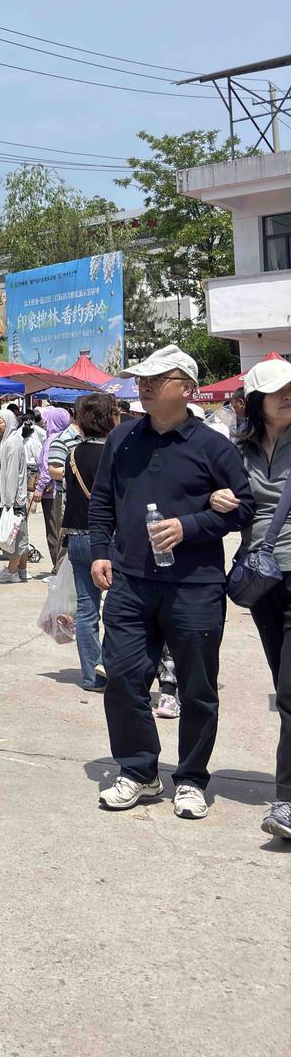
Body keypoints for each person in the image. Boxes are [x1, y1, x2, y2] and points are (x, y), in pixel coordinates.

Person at [89, 344, 253, 819]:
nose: (144, 387)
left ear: (187, 389)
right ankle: (139, 770)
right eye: (141, 380)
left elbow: (244, 508)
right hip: (130, 580)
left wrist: (191, 526)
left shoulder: (214, 446)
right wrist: (100, 551)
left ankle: (192, 778)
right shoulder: (122, 438)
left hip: (195, 585)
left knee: (197, 688)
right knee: (122, 677)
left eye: (156, 380)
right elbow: (102, 500)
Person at [207, 357, 291, 840]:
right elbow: (235, 509)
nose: (287, 395)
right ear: (255, 401)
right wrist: (217, 501)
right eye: (277, 390)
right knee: (283, 682)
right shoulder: (239, 451)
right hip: (262, 579)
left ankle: (288, 799)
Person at [57, 392, 118, 692]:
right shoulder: (115, 453)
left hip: (76, 537)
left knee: (86, 609)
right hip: (107, 539)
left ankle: (92, 676)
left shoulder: (72, 454)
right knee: (119, 608)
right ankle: (112, 666)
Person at [0, 405, 32, 584]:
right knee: (20, 533)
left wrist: (8, 501)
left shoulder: (12, 443)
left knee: (15, 535)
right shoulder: (8, 441)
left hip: (14, 498)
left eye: (0, 422)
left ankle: (11, 571)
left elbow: (12, 474)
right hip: (15, 497)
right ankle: (22, 569)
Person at [33, 403, 72, 572]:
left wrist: (39, 488)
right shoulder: (65, 437)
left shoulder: (52, 440)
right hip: (61, 490)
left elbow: (48, 468)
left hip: (52, 492)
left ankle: (58, 568)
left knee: (53, 531)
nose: (44, 422)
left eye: (47, 419)